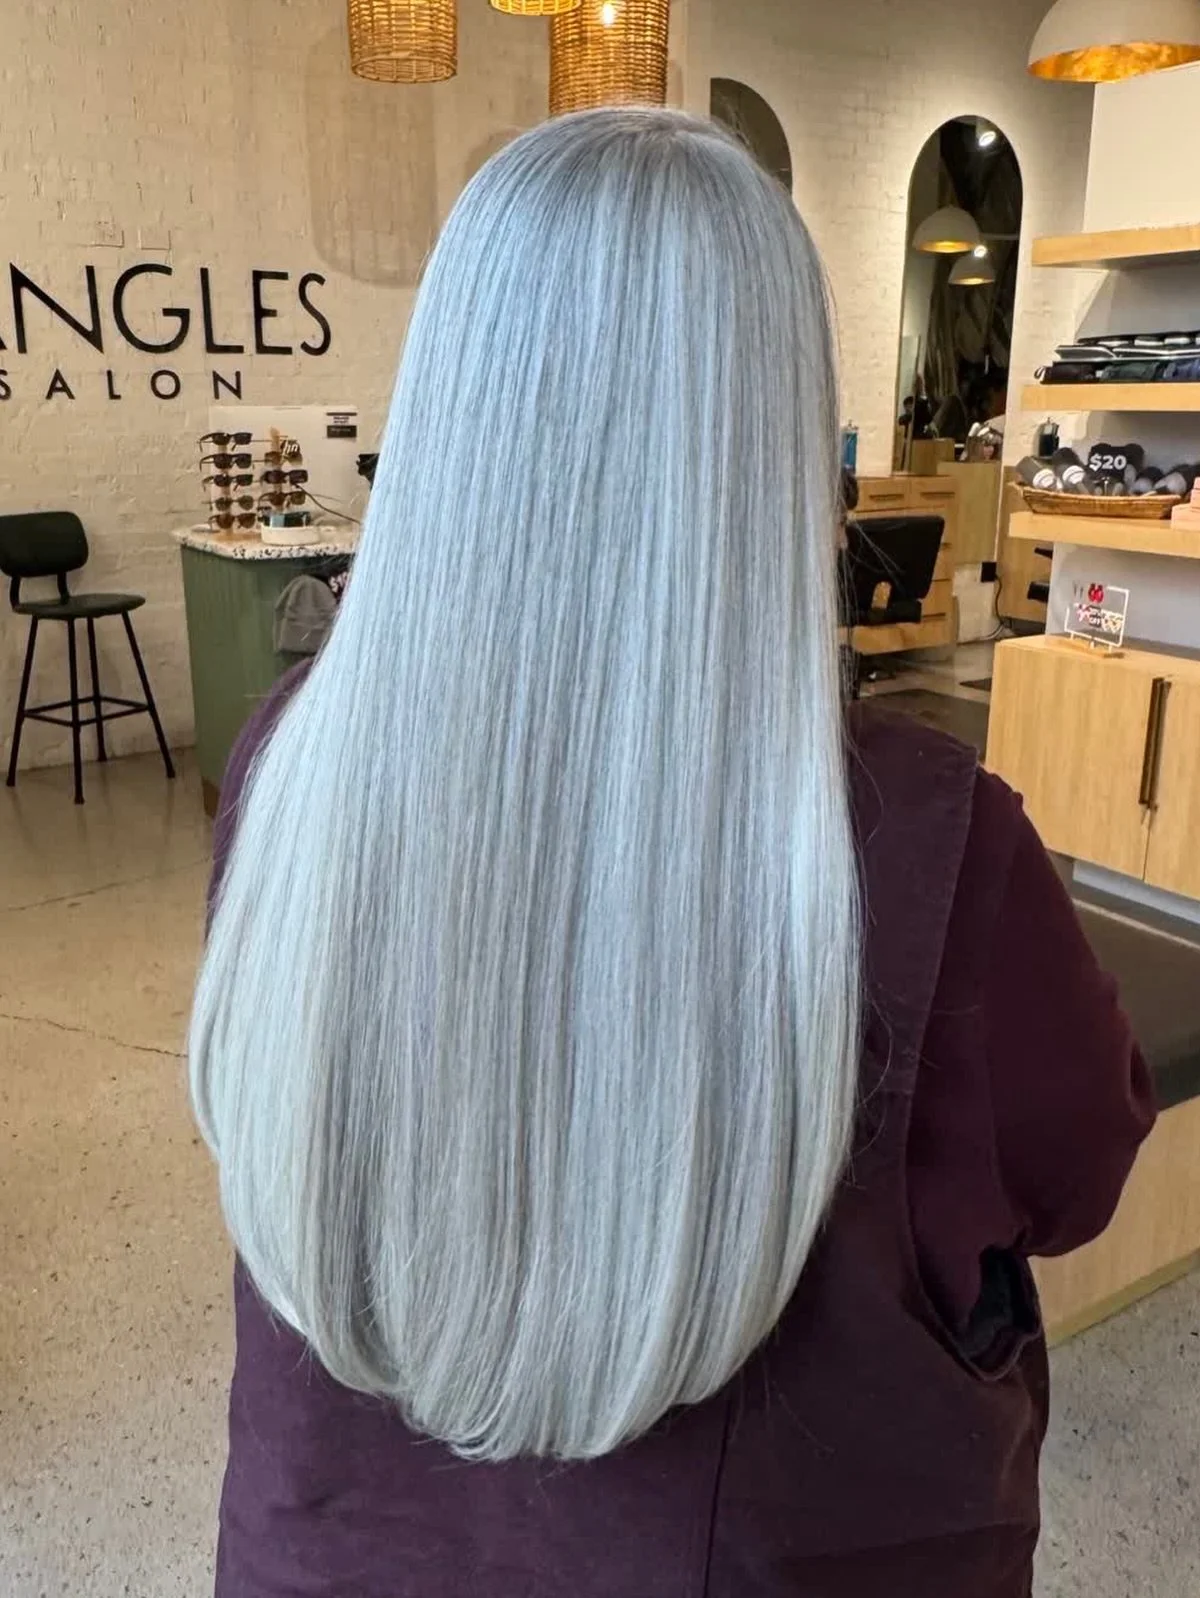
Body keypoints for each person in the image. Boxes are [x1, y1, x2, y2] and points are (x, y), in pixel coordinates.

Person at [189, 109, 1154, 1598]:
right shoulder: (931, 849)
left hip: (323, 1550)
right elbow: (1075, 1172)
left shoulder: (285, 768)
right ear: (775, 442)